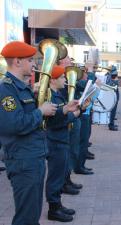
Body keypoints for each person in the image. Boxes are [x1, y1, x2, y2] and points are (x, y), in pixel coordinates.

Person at [0, 41, 58, 225]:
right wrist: (40, 111)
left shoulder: (21, 88)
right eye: (30, 60)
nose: (34, 64)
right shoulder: (6, 90)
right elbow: (14, 125)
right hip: (23, 160)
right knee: (26, 217)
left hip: (32, 156)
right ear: (17, 61)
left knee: (32, 213)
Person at [45, 65, 80, 222]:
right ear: (53, 79)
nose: (65, 80)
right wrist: (74, 115)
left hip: (61, 139)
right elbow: (54, 122)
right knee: (55, 176)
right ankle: (53, 209)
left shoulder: (57, 95)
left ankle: (57, 204)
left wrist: (75, 111)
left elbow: (62, 116)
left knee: (59, 175)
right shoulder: (49, 97)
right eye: (62, 77)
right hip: (55, 141)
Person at [106, 65, 119, 131]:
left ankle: (111, 123)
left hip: (113, 94)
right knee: (112, 110)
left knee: (113, 110)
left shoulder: (109, 75)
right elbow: (111, 84)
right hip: (112, 94)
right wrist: (115, 81)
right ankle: (111, 125)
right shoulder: (111, 75)